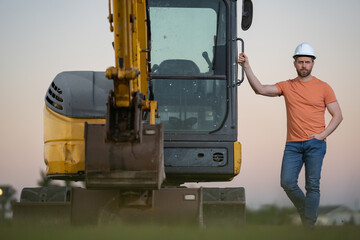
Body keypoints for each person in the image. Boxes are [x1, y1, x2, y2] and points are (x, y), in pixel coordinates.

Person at [238, 42, 343, 227]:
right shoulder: (287, 86)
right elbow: (260, 89)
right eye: (300, 61)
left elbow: (338, 116)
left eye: (307, 62)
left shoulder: (324, 87)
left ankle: (308, 226)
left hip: (315, 144)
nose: (304, 65)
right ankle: (307, 214)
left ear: (313, 63)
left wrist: (321, 135)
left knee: (312, 186)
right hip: (293, 145)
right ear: (294, 63)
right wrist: (246, 67)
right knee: (287, 182)